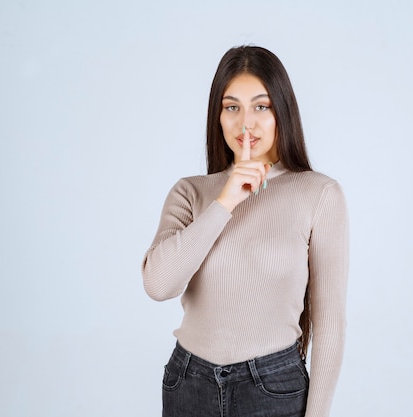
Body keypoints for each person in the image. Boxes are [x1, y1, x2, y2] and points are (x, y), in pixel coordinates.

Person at [141, 45, 349, 417]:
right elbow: (158, 285)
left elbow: (329, 321)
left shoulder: (319, 194)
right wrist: (224, 203)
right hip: (189, 384)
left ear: (281, 112)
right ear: (218, 117)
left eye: (261, 106)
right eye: (232, 107)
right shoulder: (191, 192)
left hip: (272, 387)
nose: (246, 123)